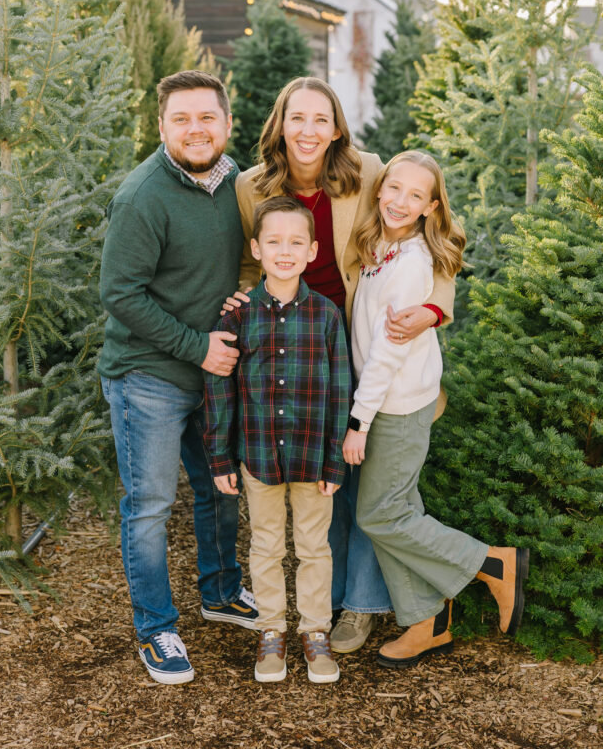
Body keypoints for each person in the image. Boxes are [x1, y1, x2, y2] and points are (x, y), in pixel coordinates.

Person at [231, 76, 456, 653]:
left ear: (337, 129)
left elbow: (428, 238)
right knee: (320, 477)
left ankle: (362, 604)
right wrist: (240, 301)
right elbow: (250, 261)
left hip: (361, 338)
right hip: (297, 344)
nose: (308, 132)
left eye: (321, 120)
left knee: (361, 486)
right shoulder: (250, 185)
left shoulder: (369, 169)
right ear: (280, 123)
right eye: (297, 118)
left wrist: (433, 309)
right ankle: (322, 602)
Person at [98, 70, 258, 686]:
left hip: (212, 374)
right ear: (161, 126)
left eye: (206, 118)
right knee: (151, 504)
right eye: (181, 119)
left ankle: (221, 593)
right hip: (150, 377)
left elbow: (247, 254)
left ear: (225, 121)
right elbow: (120, 294)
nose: (196, 130)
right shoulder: (143, 197)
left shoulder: (235, 182)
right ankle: (155, 627)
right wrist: (197, 348)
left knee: (219, 488)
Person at [343, 151, 529, 668]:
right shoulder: (380, 244)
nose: (400, 201)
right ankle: (428, 622)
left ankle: (492, 563)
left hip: (397, 406)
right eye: (393, 188)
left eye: (415, 195)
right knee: (397, 511)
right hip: (382, 400)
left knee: (381, 513)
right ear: (379, 190)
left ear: (431, 206)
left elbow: (387, 353)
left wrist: (359, 421)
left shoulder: (412, 263)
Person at [203, 197, 351, 684]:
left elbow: (338, 390)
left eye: (295, 242)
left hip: (313, 456)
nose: (284, 251)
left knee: (314, 547)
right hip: (259, 455)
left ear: (311, 251)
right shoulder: (238, 316)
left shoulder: (327, 316)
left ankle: (314, 632)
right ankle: (271, 632)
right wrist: (220, 457)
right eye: (273, 242)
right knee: (265, 546)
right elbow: (220, 389)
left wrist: (335, 462)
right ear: (257, 248)